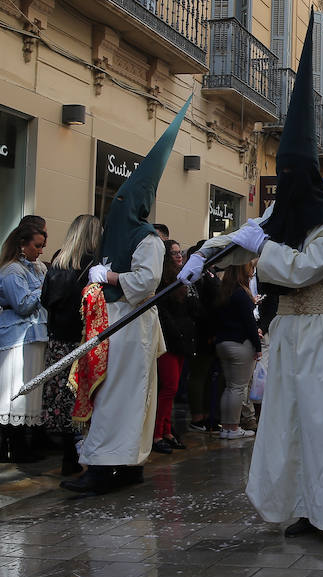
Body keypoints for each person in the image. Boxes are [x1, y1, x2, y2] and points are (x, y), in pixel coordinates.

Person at [180, 16, 323, 539]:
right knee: (286, 426)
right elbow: (243, 239)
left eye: (289, 175)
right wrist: (202, 256)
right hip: (286, 330)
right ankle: (305, 508)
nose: (281, 185)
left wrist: (263, 250)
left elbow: (306, 268)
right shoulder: (278, 218)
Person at [61, 97, 191, 494]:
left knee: (122, 397)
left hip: (132, 327)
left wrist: (112, 276)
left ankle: (107, 466)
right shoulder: (121, 237)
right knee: (114, 396)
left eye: (122, 201)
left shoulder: (147, 239)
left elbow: (145, 284)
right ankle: (120, 464)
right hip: (115, 325)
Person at [40, 214, 101, 474]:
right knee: (85, 396)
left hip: (58, 340)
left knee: (62, 400)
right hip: (83, 340)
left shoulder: (58, 263)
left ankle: (68, 455)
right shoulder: (93, 266)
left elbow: (45, 300)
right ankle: (87, 453)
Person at [0, 221, 48, 462]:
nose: (41, 251)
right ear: (22, 245)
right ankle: (14, 446)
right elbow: (21, 305)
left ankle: (22, 443)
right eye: (37, 246)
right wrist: (42, 289)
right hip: (15, 337)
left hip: (34, 334)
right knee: (15, 390)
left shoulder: (36, 267)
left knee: (29, 390)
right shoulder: (11, 271)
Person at [152, 240, 196, 454]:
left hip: (181, 340)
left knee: (173, 388)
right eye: (175, 254)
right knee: (168, 388)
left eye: (181, 253)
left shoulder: (181, 280)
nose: (179, 257)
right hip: (169, 340)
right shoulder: (162, 282)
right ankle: (158, 433)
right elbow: (164, 313)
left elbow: (190, 309)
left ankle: (167, 430)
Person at [213, 262, 260, 440]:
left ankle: (226, 426)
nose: (252, 270)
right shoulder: (241, 294)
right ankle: (232, 427)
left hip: (223, 342)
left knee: (230, 387)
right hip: (240, 343)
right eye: (250, 267)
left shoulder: (224, 291)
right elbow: (249, 323)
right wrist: (258, 346)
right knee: (238, 388)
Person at [184, 242, 222, 434]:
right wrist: (210, 331)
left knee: (206, 375)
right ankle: (198, 415)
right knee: (199, 374)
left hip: (208, 329)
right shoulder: (199, 277)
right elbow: (204, 306)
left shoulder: (208, 275)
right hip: (202, 331)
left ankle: (205, 413)